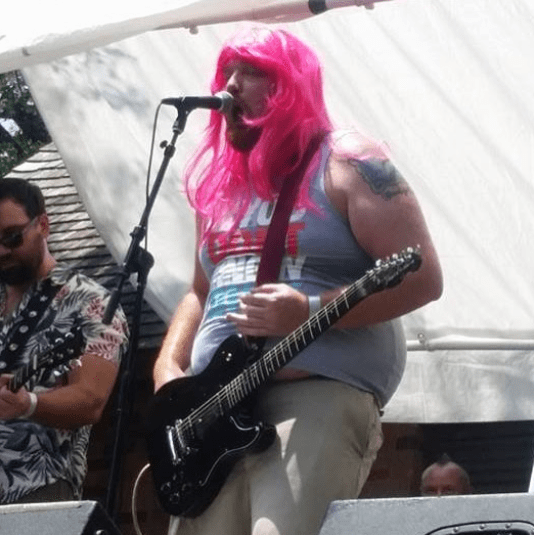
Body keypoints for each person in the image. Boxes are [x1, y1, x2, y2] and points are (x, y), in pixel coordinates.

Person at [152, 26, 443, 535]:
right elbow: (200, 292)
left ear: (290, 87)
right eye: (227, 72)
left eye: (252, 72)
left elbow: (423, 277)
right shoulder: (219, 184)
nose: (230, 86)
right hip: (211, 415)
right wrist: (168, 364)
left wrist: (308, 309)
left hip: (315, 395)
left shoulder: (348, 160)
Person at [0, 178, 128, 504]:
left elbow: (90, 399)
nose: (2, 250)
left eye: (12, 237)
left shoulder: (90, 302)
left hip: (37, 490)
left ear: (43, 224)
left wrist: (28, 404)